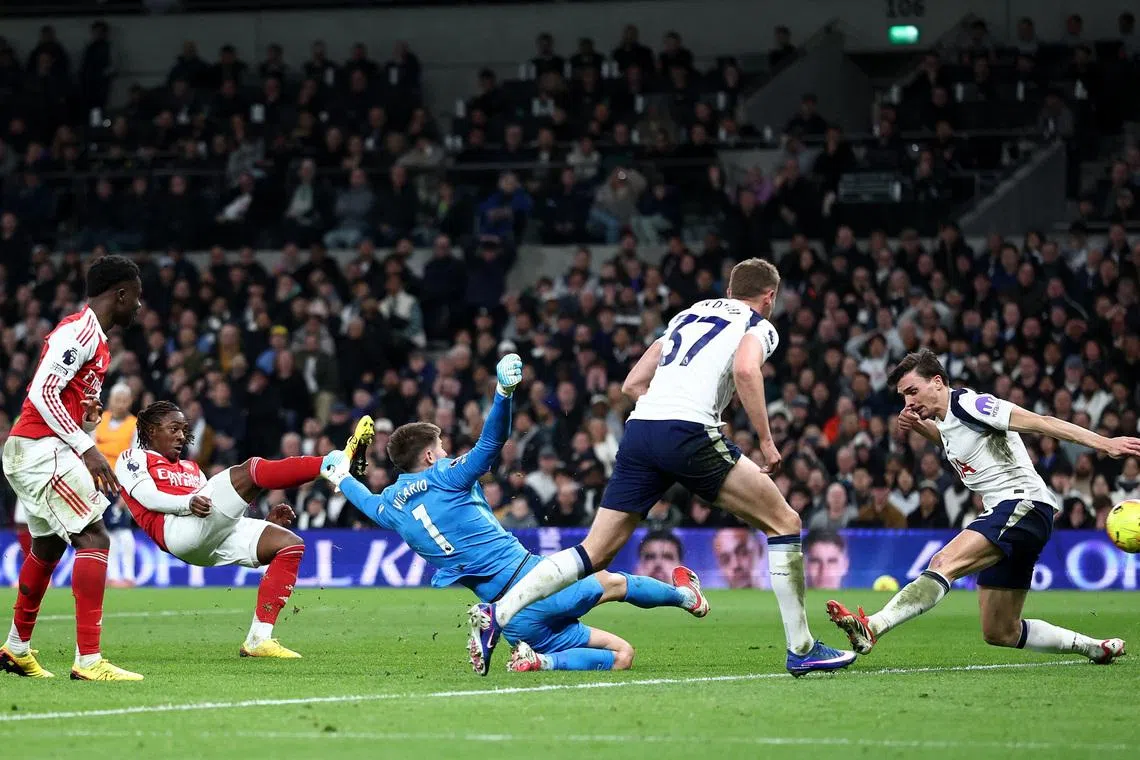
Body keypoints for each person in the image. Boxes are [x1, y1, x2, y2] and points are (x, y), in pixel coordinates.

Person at [468, 259, 855, 677]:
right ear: (770, 296)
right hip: (688, 431)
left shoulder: (689, 314)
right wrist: (765, 439)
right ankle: (802, 648)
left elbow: (632, 384)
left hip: (641, 430)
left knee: (594, 551)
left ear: (729, 290)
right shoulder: (758, 324)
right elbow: (746, 369)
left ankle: (498, 614)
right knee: (784, 522)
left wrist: (669, 413)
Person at [322, 354, 709, 674]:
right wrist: (503, 394)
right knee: (614, 582)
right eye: (440, 448)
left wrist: (341, 477)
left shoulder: (392, 506)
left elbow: (365, 501)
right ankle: (686, 598)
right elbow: (491, 443)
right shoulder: (445, 476)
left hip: (514, 621)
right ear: (428, 456)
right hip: (536, 585)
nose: (444, 453)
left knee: (622, 655)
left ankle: (541, 661)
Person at [827, 349, 1136, 664]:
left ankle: (874, 626)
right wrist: (921, 428)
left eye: (913, 391)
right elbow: (954, 442)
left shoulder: (971, 404)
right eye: (904, 396)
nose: (908, 402)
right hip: (1022, 515)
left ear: (937, 382)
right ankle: (1094, 647)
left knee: (943, 562)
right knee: (1000, 631)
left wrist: (1105, 444)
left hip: (1021, 504)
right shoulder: (948, 422)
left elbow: (1042, 422)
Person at [115, 402, 374, 658]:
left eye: (183, 430)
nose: (181, 436)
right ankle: (329, 464)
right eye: (174, 429)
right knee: (250, 470)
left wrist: (264, 522)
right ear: (151, 431)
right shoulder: (133, 458)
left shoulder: (192, 469)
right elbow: (148, 497)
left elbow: (219, 514)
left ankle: (259, 639)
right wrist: (187, 502)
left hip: (204, 538)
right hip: (176, 531)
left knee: (289, 544)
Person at [1, 256, 143, 681]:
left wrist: (85, 419)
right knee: (94, 536)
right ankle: (89, 660)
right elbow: (42, 393)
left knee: (47, 547)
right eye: (136, 296)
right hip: (40, 449)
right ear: (120, 294)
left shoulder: (97, 340)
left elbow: (60, 398)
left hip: (40, 448)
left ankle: (16, 649)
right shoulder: (79, 331)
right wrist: (87, 447)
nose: (139, 305)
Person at [94, 383, 139, 588]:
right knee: (106, 532)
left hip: (119, 485)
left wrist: (127, 491)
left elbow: (135, 459)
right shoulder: (98, 420)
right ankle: (113, 576)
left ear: (130, 402)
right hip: (98, 485)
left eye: (124, 400)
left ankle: (129, 576)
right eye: (116, 399)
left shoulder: (134, 425)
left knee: (123, 529)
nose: (120, 404)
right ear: (110, 400)